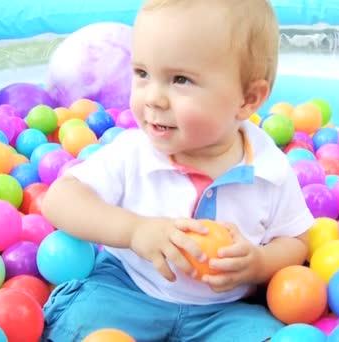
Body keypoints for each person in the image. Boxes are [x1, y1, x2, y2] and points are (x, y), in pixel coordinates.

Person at [41, 0, 314, 340]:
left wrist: (259, 263)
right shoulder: (134, 152)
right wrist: (135, 231)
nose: (153, 98)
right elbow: (60, 199)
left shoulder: (269, 169)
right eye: (142, 73)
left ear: (248, 99)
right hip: (128, 290)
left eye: (180, 79)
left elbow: (296, 240)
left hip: (223, 313)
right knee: (80, 319)